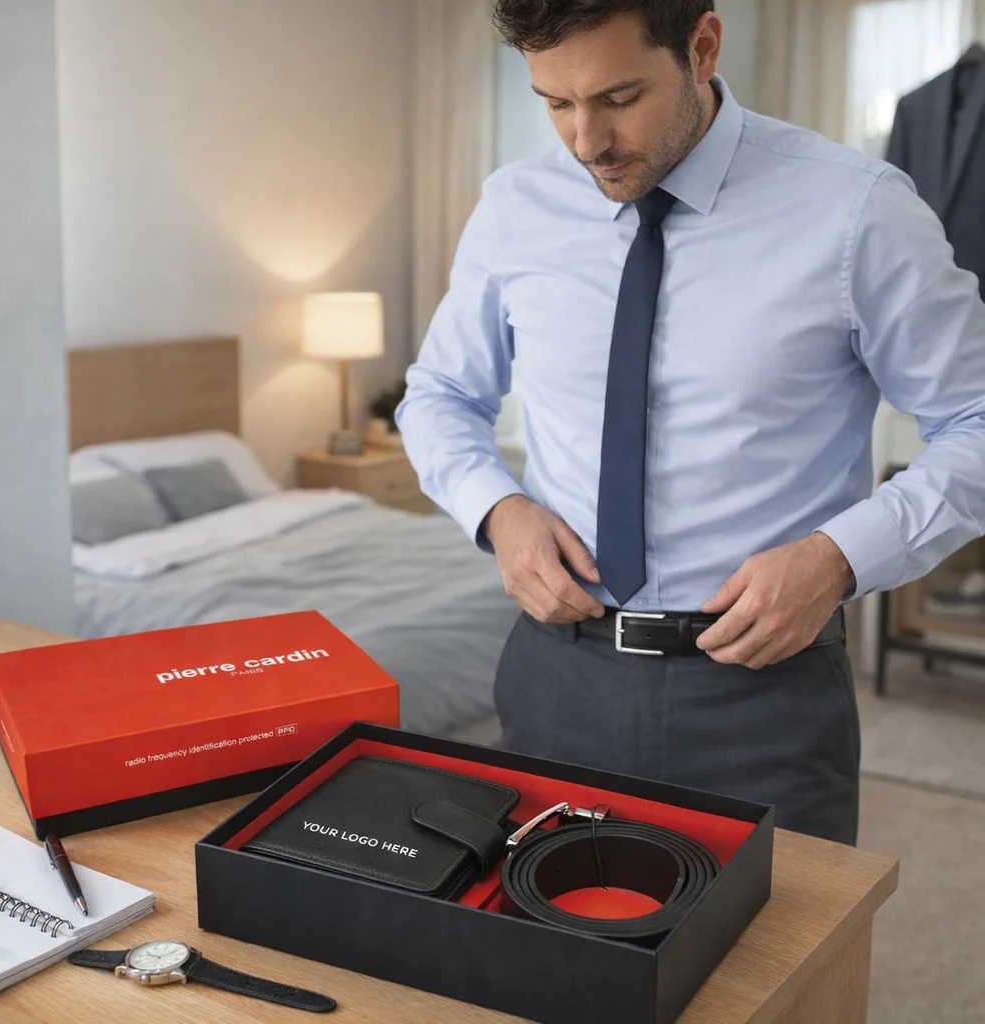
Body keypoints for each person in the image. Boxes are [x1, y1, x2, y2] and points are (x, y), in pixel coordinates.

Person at [395, 0, 985, 845]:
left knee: (778, 971)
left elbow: (976, 419)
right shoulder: (514, 207)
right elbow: (440, 392)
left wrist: (837, 558)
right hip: (556, 675)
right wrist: (499, 509)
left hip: (765, 693)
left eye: (619, 97)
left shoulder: (857, 211)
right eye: (555, 103)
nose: (586, 142)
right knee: (547, 960)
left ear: (702, 46)